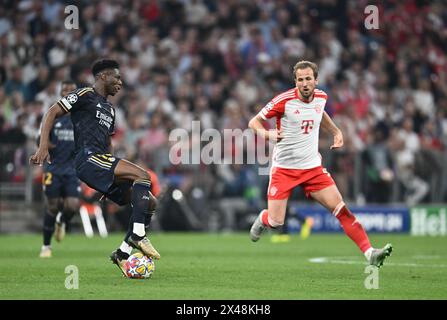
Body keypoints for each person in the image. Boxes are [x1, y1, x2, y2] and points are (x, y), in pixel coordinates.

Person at [248, 60, 393, 267]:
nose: (305, 83)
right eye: (300, 80)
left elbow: (319, 114)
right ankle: (264, 218)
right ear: (295, 81)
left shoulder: (322, 97)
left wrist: (336, 131)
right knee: (276, 222)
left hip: (312, 169)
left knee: (341, 209)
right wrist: (266, 133)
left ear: (316, 80)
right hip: (284, 170)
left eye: (308, 79)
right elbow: (253, 122)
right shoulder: (284, 100)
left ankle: (370, 253)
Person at [30, 59, 160, 277]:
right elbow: (52, 111)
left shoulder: (110, 109)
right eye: (116, 77)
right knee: (143, 176)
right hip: (87, 159)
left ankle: (122, 253)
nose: (120, 82)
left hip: (101, 163)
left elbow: (107, 146)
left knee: (150, 201)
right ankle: (137, 235)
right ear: (102, 76)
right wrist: (43, 146)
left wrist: (108, 183)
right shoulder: (84, 95)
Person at [39, 80, 80, 258]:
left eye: (72, 90)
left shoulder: (80, 117)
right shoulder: (52, 114)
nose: (68, 92)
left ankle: (62, 222)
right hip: (53, 169)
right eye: (65, 90)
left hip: (72, 170)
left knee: (72, 205)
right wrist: (44, 144)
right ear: (61, 92)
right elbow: (39, 138)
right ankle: (46, 247)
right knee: (52, 206)